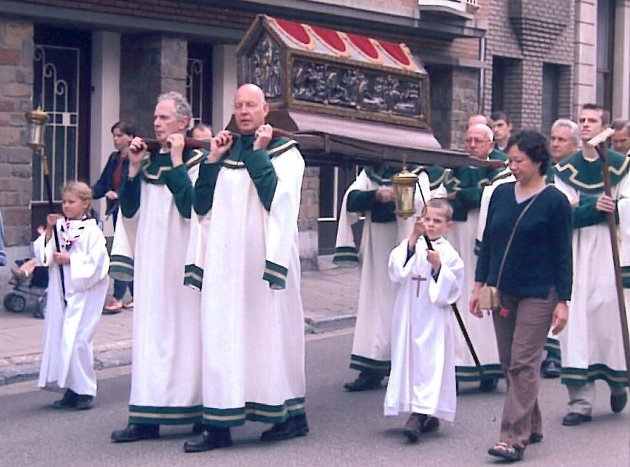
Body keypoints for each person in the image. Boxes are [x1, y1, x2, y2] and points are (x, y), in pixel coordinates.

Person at [182, 84, 307, 453]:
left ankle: (290, 416)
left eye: (251, 105)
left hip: (264, 263)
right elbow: (200, 206)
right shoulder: (222, 149)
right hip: (225, 264)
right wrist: (211, 161)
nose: (244, 111)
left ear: (265, 109)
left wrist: (257, 154)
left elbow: (277, 201)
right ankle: (218, 424)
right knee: (223, 337)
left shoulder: (286, 152)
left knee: (271, 336)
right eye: (238, 106)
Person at [471, 130, 573, 462]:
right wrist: (478, 286)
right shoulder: (500, 193)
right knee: (508, 362)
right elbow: (488, 243)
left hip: (539, 293)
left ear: (538, 161)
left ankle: (513, 437)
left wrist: (563, 300)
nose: (512, 166)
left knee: (523, 362)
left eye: (519, 161)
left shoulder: (555, 201)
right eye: (510, 160)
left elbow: (563, 254)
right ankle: (535, 423)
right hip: (502, 290)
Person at [109, 92, 205, 442]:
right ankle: (145, 417)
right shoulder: (146, 161)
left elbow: (192, 208)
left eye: (164, 117)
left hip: (182, 263)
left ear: (183, 123)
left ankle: (196, 410)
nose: (157, 123)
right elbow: (129, 211)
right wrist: (133, 168)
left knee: (187, 335)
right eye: (156, 117)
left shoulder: (199, 161)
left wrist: (178, 160)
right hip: (152, 263)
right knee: (149, 336)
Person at [553, 103, 630, 426]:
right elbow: (559, 213)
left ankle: (615, 379)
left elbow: (627, 204)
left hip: (611, 252)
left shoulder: (622, 166)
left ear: (605, 128)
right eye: (582, 120)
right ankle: (580, 401)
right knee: (578, 321)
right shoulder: (564, 170)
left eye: (592, 121)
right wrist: (592, 208)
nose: (585, 125)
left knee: (608, 317)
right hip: (577, 252)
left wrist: (616, 207)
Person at [335, 166, 430, 391]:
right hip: (377, 244)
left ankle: (407, 368)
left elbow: (423, 205)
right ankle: (372, 367)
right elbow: (352, 198)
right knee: (374, 304)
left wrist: (401, 195)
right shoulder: (371, 173)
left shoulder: (421, 172)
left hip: (404, 238)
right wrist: (376, 195)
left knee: (405, 305)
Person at [385, 198, 464, 442]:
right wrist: (412, 238)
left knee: (429, 362)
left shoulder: (449, 254)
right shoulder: (412, 244)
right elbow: (397, 271)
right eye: (427, 219)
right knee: (409, 360)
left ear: (447, 226)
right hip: (409, 313)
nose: (430, 225)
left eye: (437, 221)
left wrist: (439, 266)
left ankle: (420, 414)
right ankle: (425, 412)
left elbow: (453, 287)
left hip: (432, 317)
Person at [37, 181, 110, 410]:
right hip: (62, 291)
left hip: (84, 292)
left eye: (72, 202)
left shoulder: (92, 231)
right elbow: (45, 257)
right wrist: (49, 231)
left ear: (85, 203)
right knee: (62, 338)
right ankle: (70, 388)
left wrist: (71, 261)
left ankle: (85, 390)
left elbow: (98, 263)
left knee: (79, 341)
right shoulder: (61, 228)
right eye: (64, 202)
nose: (66, 206)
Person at [444, 123, 505, 391]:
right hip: (456, 239)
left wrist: (462, 196)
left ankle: (488, 365)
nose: (471, 146)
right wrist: (462, 198)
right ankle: (457, 366)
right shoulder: (455, 168)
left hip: (484, 241)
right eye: (467, 140)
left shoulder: (500, 168)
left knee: (483, 303)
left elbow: (490, 196)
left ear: (491, 145)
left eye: (478, 141)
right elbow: (444, 197)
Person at [537, 118, 580, 378]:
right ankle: (550, 351)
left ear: (574, 145)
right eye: (552, 138)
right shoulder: (546, 169)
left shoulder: (580, 172)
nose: (555, 143)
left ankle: (556, 355)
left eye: (562, 139)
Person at [92, 121, 135, 314]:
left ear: (130, 137)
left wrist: (119, 195)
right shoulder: (113, 159)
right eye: (114, 135)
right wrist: (83, 195)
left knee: (122, 251)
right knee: (126, 250)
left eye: (119, 135)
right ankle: (136, 295)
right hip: (115, 210)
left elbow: (134, 184)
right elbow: (102, 184)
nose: (116, 139)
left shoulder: (136, 159)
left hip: (131, 211)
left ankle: (118, 297)